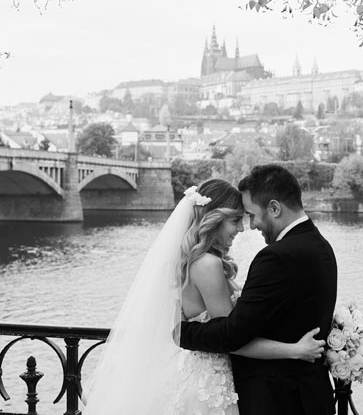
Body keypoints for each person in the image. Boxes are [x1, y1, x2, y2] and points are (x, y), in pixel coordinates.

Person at [82, 178, 324, 415]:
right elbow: (231, 339)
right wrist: (294, 350)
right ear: (213, 219)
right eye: (236, 220)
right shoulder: (208, 265)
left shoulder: (189, 261)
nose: (241, 229)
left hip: (191, 371)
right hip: (210, 383)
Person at [180, 166, 338, 415]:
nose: (249, 226)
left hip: (279, 400)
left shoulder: (278, 257)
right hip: (302, 394)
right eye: (238, 219)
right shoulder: (320, 245)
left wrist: (182, 333)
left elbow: (231, 335)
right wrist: (295, 350)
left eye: (251, 215)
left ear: (274, 208)